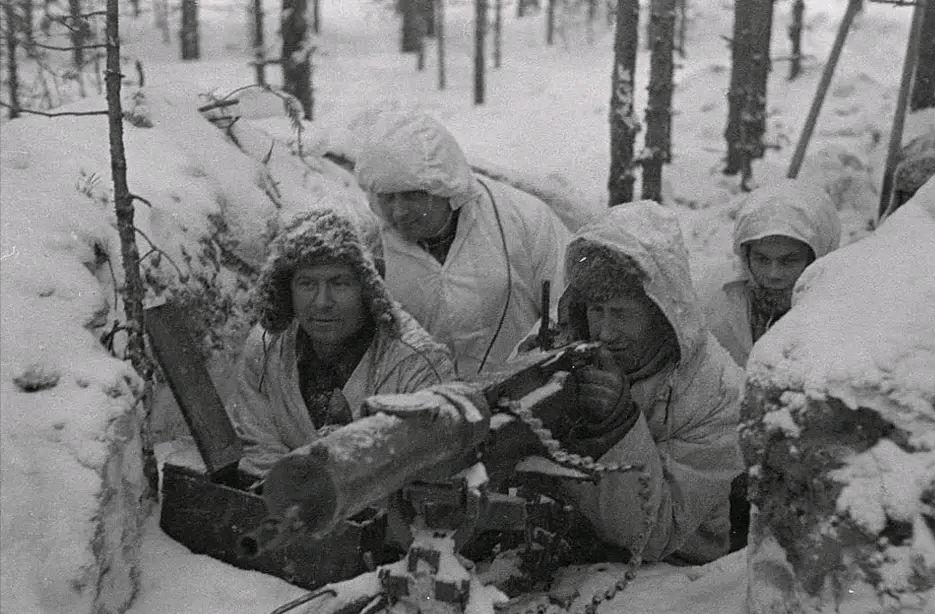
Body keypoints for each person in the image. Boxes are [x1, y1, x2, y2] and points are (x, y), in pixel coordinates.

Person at [544, 200, 746, 564]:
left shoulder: (715, 391)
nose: (605, 332)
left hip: (676, 575)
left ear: (660, 313)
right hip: (567, 554)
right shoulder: (562, 348)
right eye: (596, 310)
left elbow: (657, 536)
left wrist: (617, 427)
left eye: (622, 313)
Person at [227, 208, 456, 475]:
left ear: (370, 287)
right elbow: (259, 451)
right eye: (307, 284)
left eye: (340, 283)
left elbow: (430, 473)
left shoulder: (415, 364)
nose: (322, 302)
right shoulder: (267, 347)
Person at [351, 109, 570, 378]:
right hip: (421, 406)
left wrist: (532, 358)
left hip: (524, 390)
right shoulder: (369, 244)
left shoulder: (523, 218)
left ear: (445, 189)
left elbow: (568, 300)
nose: (398, 212)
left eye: (411, 196)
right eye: (387, 198)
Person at [700, 179, 841, 367]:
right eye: (762, 259)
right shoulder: (713, 295)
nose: (773, 274)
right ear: (745, 255)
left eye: (789, 260)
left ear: (816, 257)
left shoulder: (840, 309)